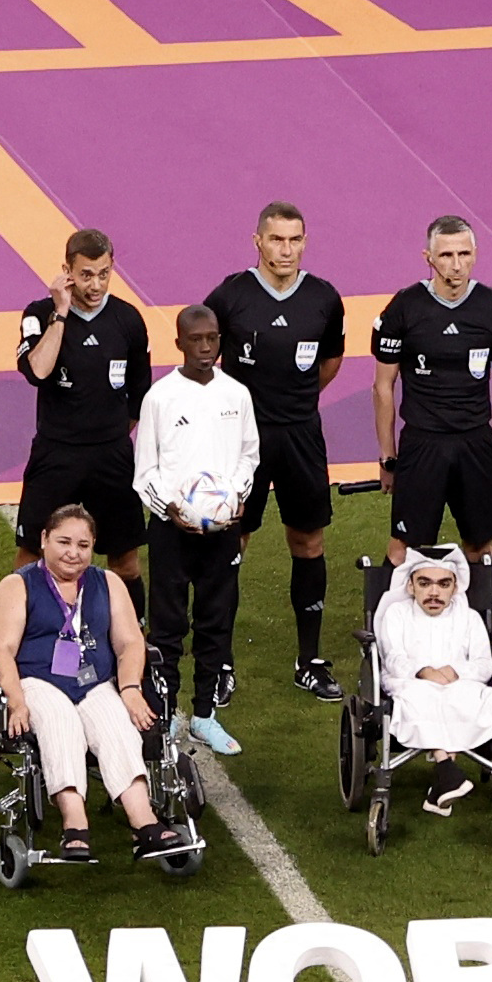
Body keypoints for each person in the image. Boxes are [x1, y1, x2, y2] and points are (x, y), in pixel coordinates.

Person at [199, 201, 358, 692]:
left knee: (308, 541)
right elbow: (202, 359)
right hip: (242, 440)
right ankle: (219, 663)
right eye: (276, 240)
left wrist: (298, 401)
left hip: (302, 438)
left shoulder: (325, 299)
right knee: (232, 542)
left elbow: (330, 361)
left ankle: (309, 661)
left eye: (294, 240)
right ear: (258, 242)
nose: (285, 250)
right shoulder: (230, 295)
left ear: (304, 242)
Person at [0, 505, 163, 865]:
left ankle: (144, 823)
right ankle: (75, 823)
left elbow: (130, 642)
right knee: (60, 720)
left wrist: (130, 690)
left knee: (116, 723)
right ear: (44, 540)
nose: (73, 553)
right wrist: (16, 701)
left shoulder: (107, 583)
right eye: (63, 542)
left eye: (83, 545)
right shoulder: (18, 585)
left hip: (94, 681)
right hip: (36, 681)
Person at [131, 306, 261, 750]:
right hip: (172, 530)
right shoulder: (160, 398)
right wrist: (171, 508)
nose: (206, 348)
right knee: (167, 626)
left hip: (222, 531)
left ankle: (204, 715)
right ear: (179, 344)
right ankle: (165, 716)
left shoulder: (237, 395)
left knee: (216, 622)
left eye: (213, 339)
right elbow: (144, 469)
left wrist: (237, 495)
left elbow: (249, 455)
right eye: (197, 340)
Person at [370, 217, 492, 592]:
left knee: (480, 546)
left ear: (475, 255)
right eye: (447, 255)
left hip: (475, 442)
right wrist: (388, 457)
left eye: (464, 254)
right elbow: (383, 386)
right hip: (423, 443)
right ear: (428, 258)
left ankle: (483, 641)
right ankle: (388, 637)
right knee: (404, 547)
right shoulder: (404, 307)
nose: (456, 264)